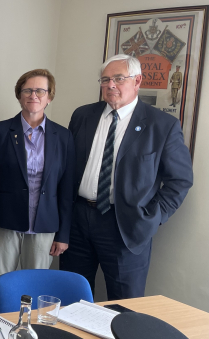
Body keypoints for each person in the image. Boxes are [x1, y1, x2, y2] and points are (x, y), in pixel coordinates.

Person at [61, 54, 193, 299]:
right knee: (71, 298)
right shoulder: (83, 116)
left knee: (126, 304)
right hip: (78, 221)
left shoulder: (162, 125)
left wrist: (153, 217)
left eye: (119, 78)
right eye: (105, 80)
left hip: (125, 225)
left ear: (137, 80)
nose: (111, 85)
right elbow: (67, 168)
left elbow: (180, 180)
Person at [0, 69, 75, 288]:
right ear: (19, 95)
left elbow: (66, 190)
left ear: (49, 97)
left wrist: (63, 234)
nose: (34, 95)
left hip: (45, 226)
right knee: (1, 285)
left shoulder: (63, 137)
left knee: (36, 287)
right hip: (5, 225)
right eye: (28, 90)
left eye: (41, 90)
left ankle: (32, 324)